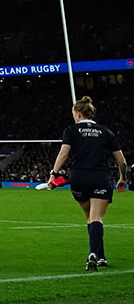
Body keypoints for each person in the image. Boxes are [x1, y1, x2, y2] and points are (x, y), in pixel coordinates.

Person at [49, 96, 128, 271]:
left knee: (89, 217)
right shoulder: (106, 132)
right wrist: (123, 178)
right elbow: (121, 161)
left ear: (78, 114)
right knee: (97, 218)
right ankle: (94, 254)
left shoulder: (71, 130)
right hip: (100, 177)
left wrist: (54, 174)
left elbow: (63, 154)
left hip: (78, 178)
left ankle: (101, 256)